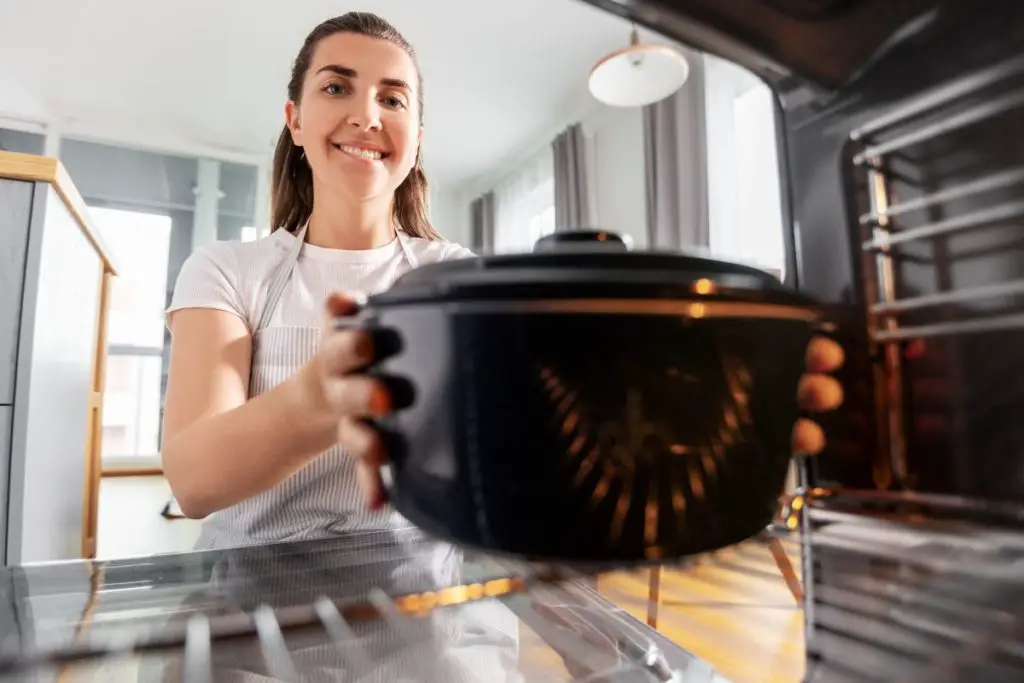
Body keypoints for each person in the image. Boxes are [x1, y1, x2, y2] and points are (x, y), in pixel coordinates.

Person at [160, 12, 844, 552]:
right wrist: (320, 393)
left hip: (423, 583)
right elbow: (193, 481)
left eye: (392, 98)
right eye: (337, 87)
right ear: (296, 120)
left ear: (416, 136)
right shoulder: (227, 270)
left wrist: (708, 402)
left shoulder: (452, 278)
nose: (367, 115)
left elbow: (526, 433)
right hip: (244, 588)